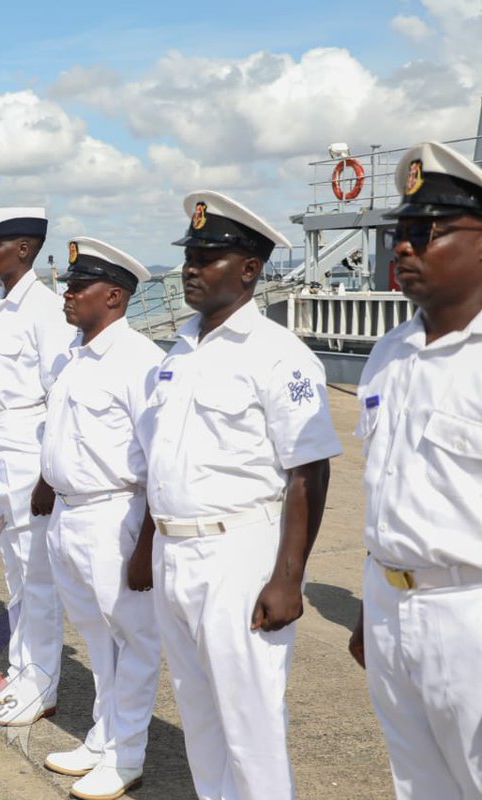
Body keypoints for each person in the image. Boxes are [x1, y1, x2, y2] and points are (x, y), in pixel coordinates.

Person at [137, 191, 341, 800]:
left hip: (239, 553)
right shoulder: (179, 348)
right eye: (189, 256)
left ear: (250, 269)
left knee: (250, 723)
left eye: (208, 256)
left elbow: (310, 471)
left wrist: (289, 577)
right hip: (176, 551)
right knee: (199, 717)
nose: (190, 269)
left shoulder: (281, 355)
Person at [347, 141, 482, 799]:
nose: (401, 248)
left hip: (471, 611)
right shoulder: (388, 352)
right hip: (391, 604)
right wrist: (371, 609)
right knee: (419, 785)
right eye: (398, 233)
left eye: (423, 232)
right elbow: (386, 490)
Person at [33, 237, 161, 800]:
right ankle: (103, 737)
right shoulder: (73, 355)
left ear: (113, 295)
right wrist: (46, 483)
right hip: (68, 513)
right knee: (96, 638)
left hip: (115, 514)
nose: (67, 293)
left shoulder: (142, 362)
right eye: (68, 283)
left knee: (134, 639)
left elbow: (161, 460)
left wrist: (145, 545)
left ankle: (127, 754)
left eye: (78, 286)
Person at [0, 207, 76, 726]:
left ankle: (43, 685)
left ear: (24, 249)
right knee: (14, 572)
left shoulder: (45, 309)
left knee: (37, 576)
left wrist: (49, 475)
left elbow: (60, 396)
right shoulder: (1, 306)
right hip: (0, 448)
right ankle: (21, 672)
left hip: (30, 450)